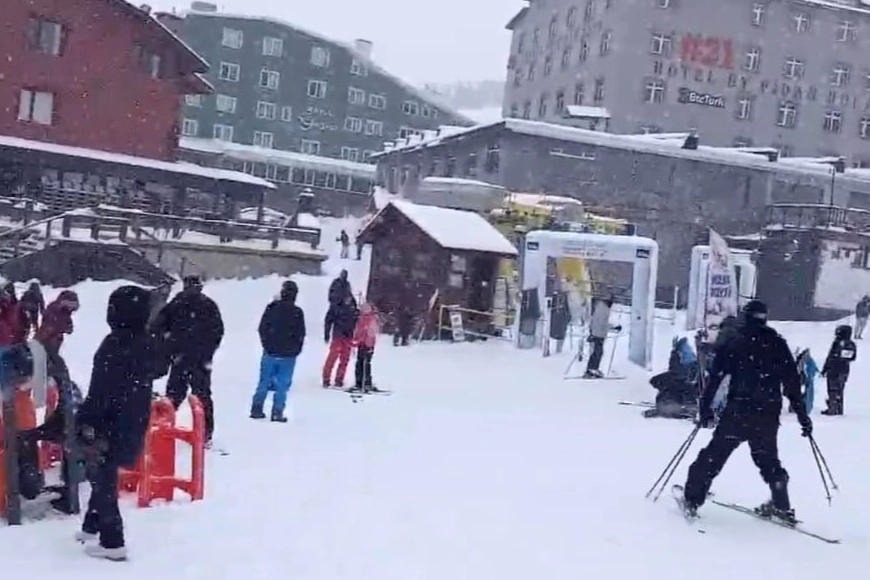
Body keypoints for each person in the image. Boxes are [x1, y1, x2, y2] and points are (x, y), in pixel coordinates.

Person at [679, 300, 812, 525]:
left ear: (745, 316)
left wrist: (705, 408)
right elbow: (791, 381)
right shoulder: (777, 343)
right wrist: (802, 416)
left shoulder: (735, 341)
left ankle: (692, 498)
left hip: (739, 411)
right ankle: (781, 505)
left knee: (713, 456)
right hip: (767, 413)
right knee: (768, 459)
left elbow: (716, 377)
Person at [75, 285, 162, 561]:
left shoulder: (114, 345)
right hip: (134, 419)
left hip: (108, 420)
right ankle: (91, 524)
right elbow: (159, 367)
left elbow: (100, 390)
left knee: (101, 476)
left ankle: (113, 541)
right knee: (104, 472)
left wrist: (86, 420)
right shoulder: (148, 343)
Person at [153, 276, 224, 444]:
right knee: (202, 395)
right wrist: (208, 352)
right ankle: (205, 433)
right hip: (200, 359)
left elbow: (157, 327)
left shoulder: (176, 304)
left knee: (174, 394)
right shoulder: (209, 305)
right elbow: (217, 332)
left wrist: (169, 346)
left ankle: (163, 426)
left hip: (180, 357)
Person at [251, 280, 306, 422]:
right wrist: (295, 350)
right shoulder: (297, 312)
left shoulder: (272, 308)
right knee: (283, 385)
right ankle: (277, 412)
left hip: (270, 352)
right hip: (288, 355)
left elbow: (263, 327)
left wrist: (266, 344)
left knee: (264, 381)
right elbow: (300, 334)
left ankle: (257, 408)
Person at [645, 336, 698, 419]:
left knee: (657, 381)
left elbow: (678, 368)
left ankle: (671, 403)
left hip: (680, 377)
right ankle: (671, 402)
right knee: (661, 382)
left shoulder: (680, 352)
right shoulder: (685, 351)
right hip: (681, 376)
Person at [35, 289, 79, 382]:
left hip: (51, 344)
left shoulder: (64, 312)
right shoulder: (56, 310)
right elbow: (48, 328)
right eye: (71, 305)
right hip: (47, 345)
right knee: (56, 369)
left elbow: (68, 327)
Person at [820, 324, 856, 416]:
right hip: (844, 370)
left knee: (832, 389)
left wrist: (825, 369)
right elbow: (852, 358)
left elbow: (831, 357)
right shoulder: (851, 344)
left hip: (834, 369)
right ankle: (839, 409)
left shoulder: (837, 343)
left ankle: (832, 409)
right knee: (840, 389)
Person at [322, 294, 357, 388]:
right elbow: (328, 321)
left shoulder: (353, 307)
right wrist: (327, 334)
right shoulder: (336, 306)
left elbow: (357, 321)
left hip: (348, 336)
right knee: (333, 357)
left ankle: (339, 379)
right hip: (338, 335)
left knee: (344, 359)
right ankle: (326, 378)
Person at [351, 302, 380, 392]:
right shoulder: (360, 318)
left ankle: (366, 383)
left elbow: (371, 332)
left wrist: (366, 342)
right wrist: (356, 340)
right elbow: (357, 330)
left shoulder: (372, 319)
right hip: (361, 344)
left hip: (368, 345)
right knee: (359, 363)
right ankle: (359, 382)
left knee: (366, 364)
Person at [584, 296, 614, 378]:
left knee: (597, 352)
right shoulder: (603, 309)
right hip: (598, 334)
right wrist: (612, 327)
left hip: (597, 332)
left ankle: (592, 369)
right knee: (597, 352)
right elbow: (602, 323)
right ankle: (592, 369)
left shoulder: (602, 307)